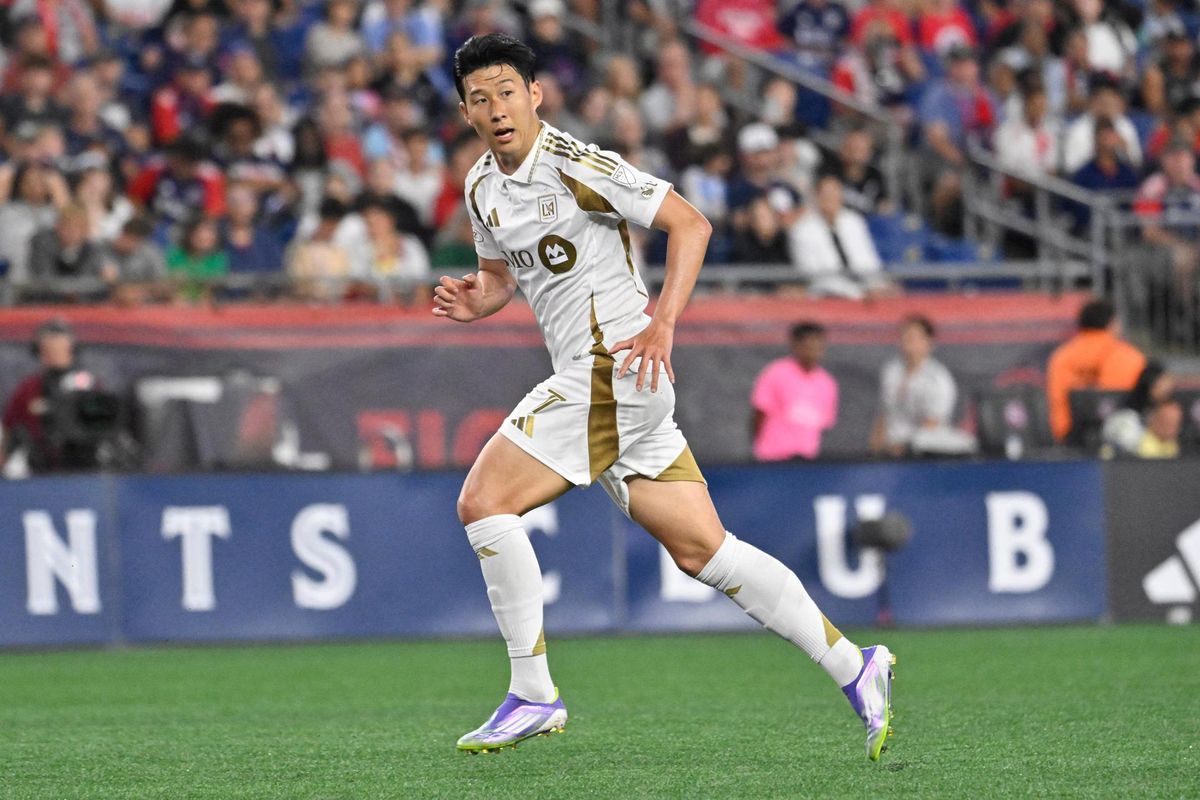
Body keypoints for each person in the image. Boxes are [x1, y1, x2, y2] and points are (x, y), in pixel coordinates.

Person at [433, 33, 894, 760]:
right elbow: (500, 277)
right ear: (465, 112)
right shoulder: (481, 186)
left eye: (508, 92)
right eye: (480, 98)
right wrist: (478, 299)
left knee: (483, 502)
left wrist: (664, 321)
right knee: (705, 551)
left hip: (614, 368)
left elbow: (690, 223)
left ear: (536, 96)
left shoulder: (576, 164)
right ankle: (854, 665)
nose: (496, 109)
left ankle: (533, 692)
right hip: (618, 385)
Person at [1, 319, 106, 473]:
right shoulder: (28, 388)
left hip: (83, 466)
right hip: (40, 466)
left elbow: (103, 424)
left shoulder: (88, 384)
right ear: (39, 353)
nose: (53, 354)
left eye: (59, 348)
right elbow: (8, 426)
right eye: (48, 350)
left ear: (72, 350)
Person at [870, 315, 975, 457]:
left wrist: (905, 447)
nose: (906, 341)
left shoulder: (938, 379)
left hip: (923, 454)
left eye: (912, 337)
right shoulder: (891, 371)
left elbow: (932, 423)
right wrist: (875, 449)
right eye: (903, 336)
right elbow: (884, 413)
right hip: (889, 452)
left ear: (928, 342)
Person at [1046, 298, 1145, 442]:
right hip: (1119, 439)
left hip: (1067, 437)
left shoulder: (1060, 357)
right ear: (1112, 324)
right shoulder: (1131, 357)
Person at [788, 173, 887, 300]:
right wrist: (857, 293)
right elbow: (812, 274)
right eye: (826, 194)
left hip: (866, 292)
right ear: (816, 197)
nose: (831, 198)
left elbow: (869, 260)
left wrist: (877, 285)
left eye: (835, 193)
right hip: (826, 296)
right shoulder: (801, 229)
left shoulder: (854, 221)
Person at [751, 322, 838, 461]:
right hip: (773, 458)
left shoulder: (827, 383)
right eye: (808, 345)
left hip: (807, 461)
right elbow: (759, 414)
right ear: (795, 345)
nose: (813, 350)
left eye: (818, 345)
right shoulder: (775, 373)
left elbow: (822, 424)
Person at [1101, 360, 1182, 459]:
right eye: (1161, 386)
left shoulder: (1167, 411)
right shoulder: (1127, 419)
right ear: (1150, 387)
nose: (1168, 392)